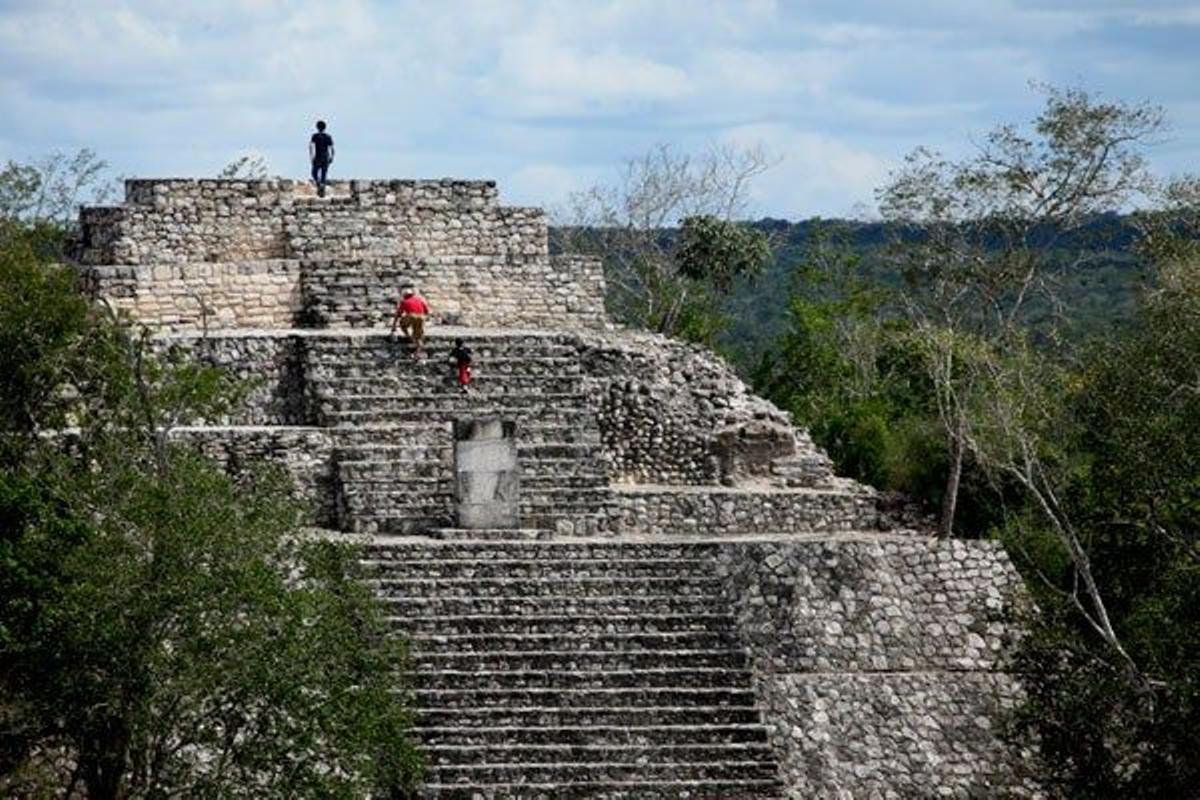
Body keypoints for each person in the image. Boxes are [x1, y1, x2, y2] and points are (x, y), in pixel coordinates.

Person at [390, 286, 430, 358]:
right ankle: (417, 352)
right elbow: (427, 311)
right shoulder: (420, 300)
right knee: (418, 335)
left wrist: (393, 327)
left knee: (402, 324)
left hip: (412, 316)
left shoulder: (404, 301)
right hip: (421, 317)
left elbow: (398, 315)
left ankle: (409, 337)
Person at [309, 120, 334, 197]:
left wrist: (311, 156)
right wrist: (332, 157)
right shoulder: (328, 136)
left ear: (317, 127)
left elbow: (311, 147)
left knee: (314, 173)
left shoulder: (315, 136)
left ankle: (319, 184)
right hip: (326, 157)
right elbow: (332, 148)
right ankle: (322, 189)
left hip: (318, 156)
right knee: (324, 174)